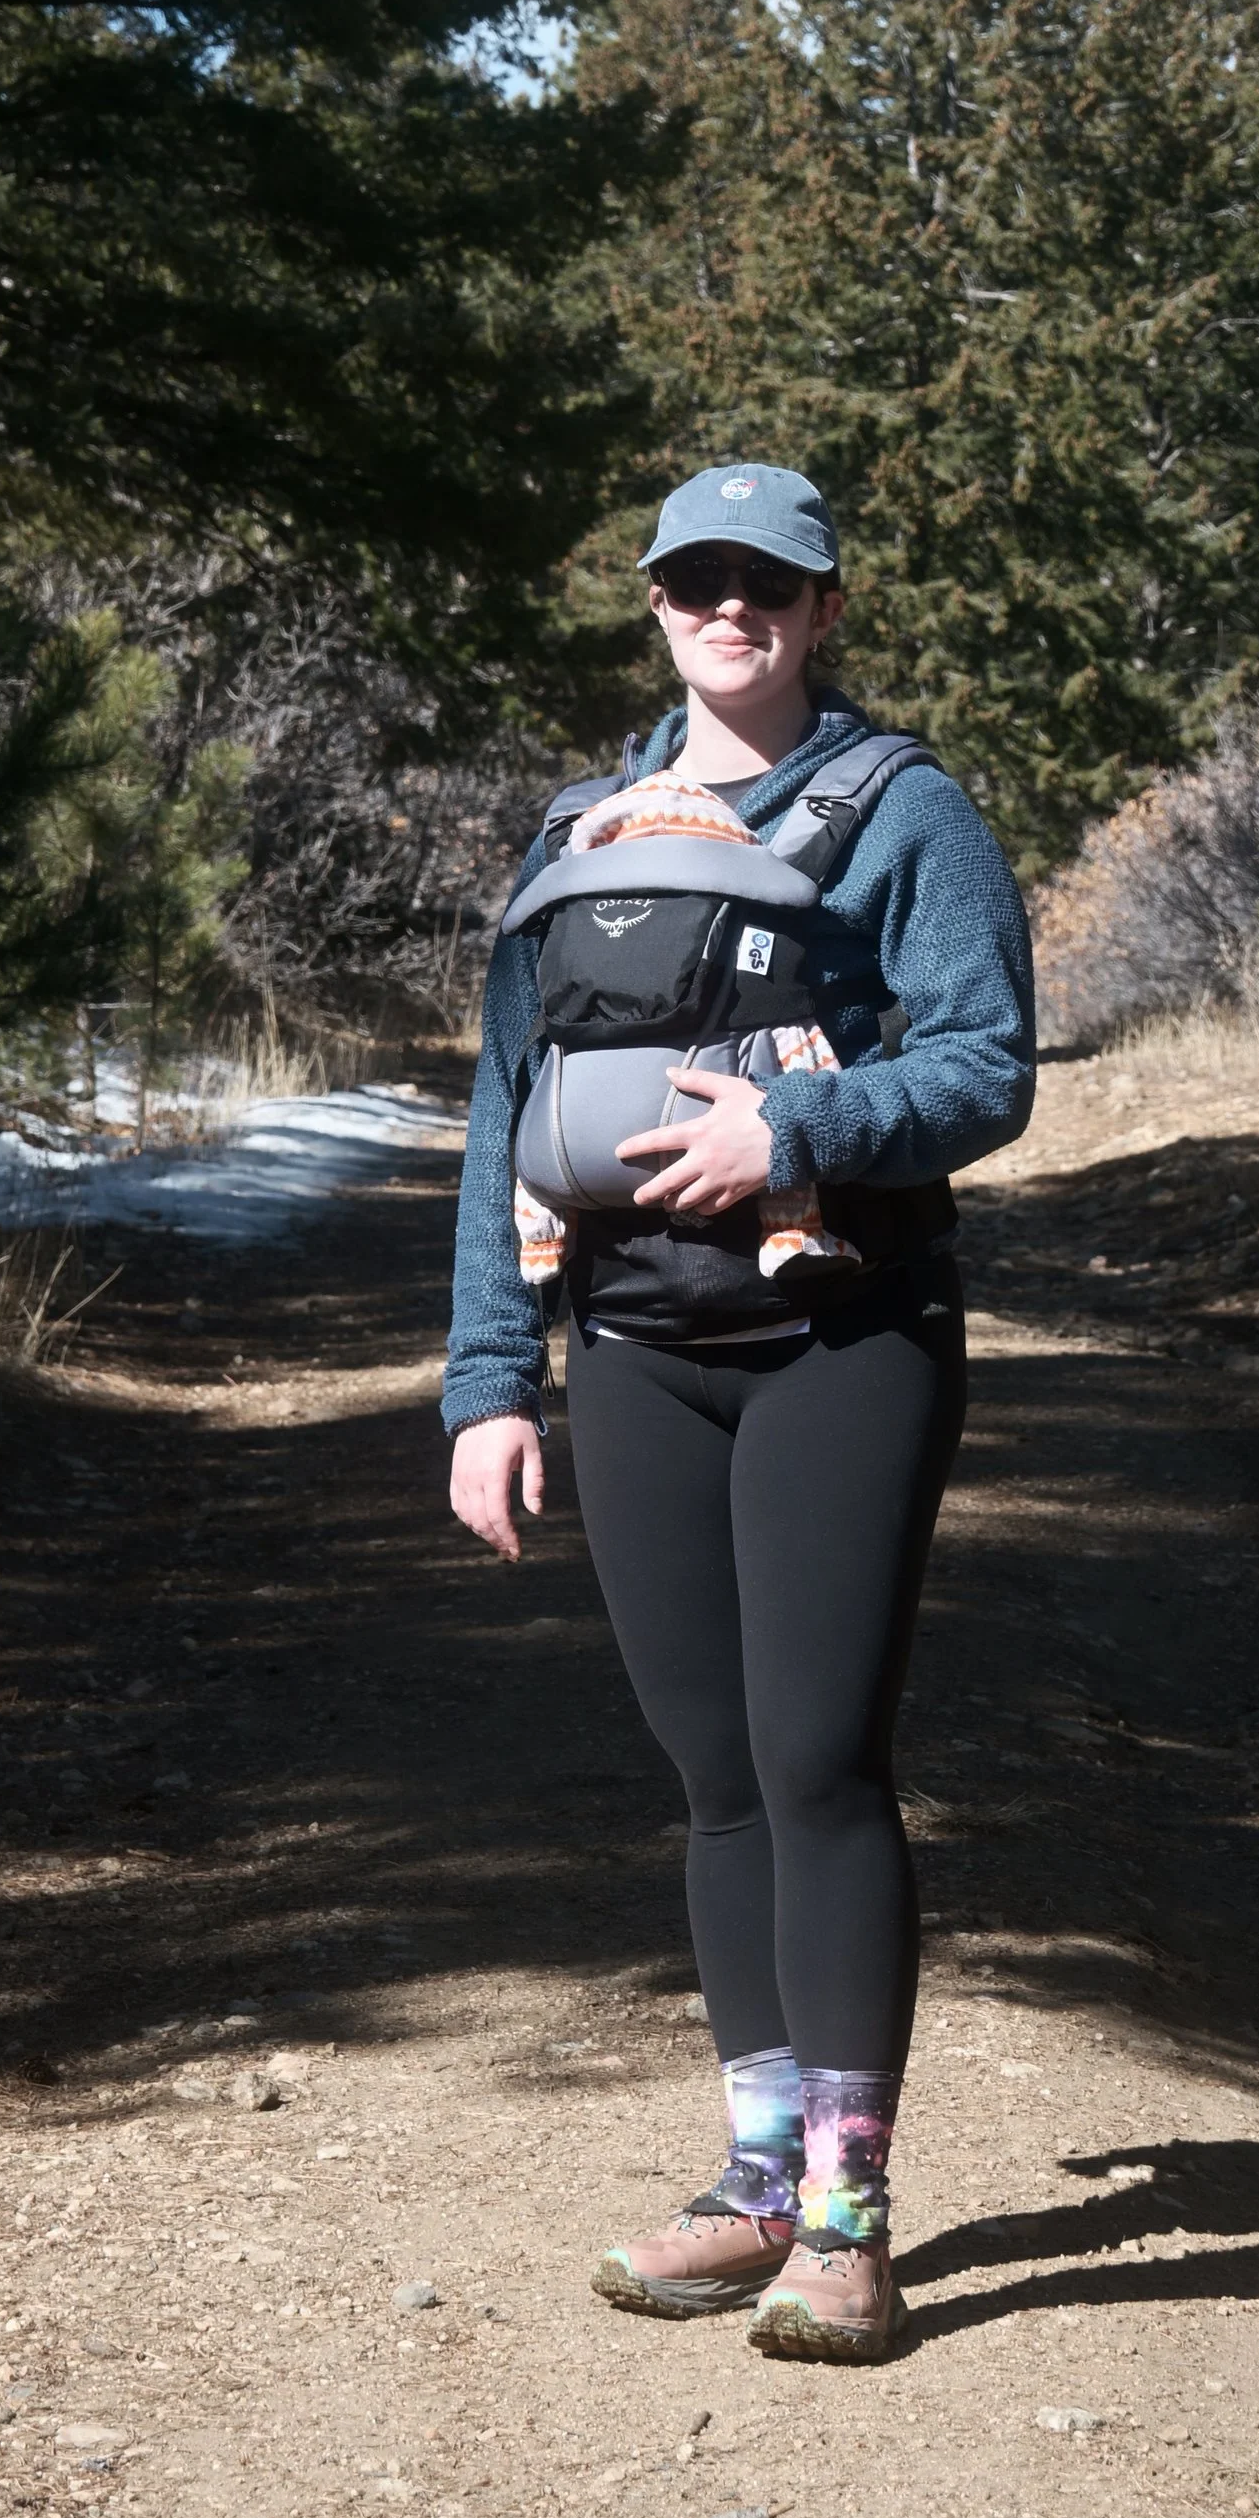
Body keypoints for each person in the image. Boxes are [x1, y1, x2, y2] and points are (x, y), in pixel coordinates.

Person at [439, 461, 1035, 2364]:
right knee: (711, 1777)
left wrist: (805, 1126)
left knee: (818, 1761)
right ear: (658, 603)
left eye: (768, 583)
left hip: (841, 1335)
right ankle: (759, 2175)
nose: (733, 610)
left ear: (824, 604)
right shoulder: (583, 829)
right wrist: (485, 1385)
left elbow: (987, 1063)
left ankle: (854, 2215)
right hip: (627, 1348)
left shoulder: (903, 809)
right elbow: (502, 1121)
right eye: (699, 581)